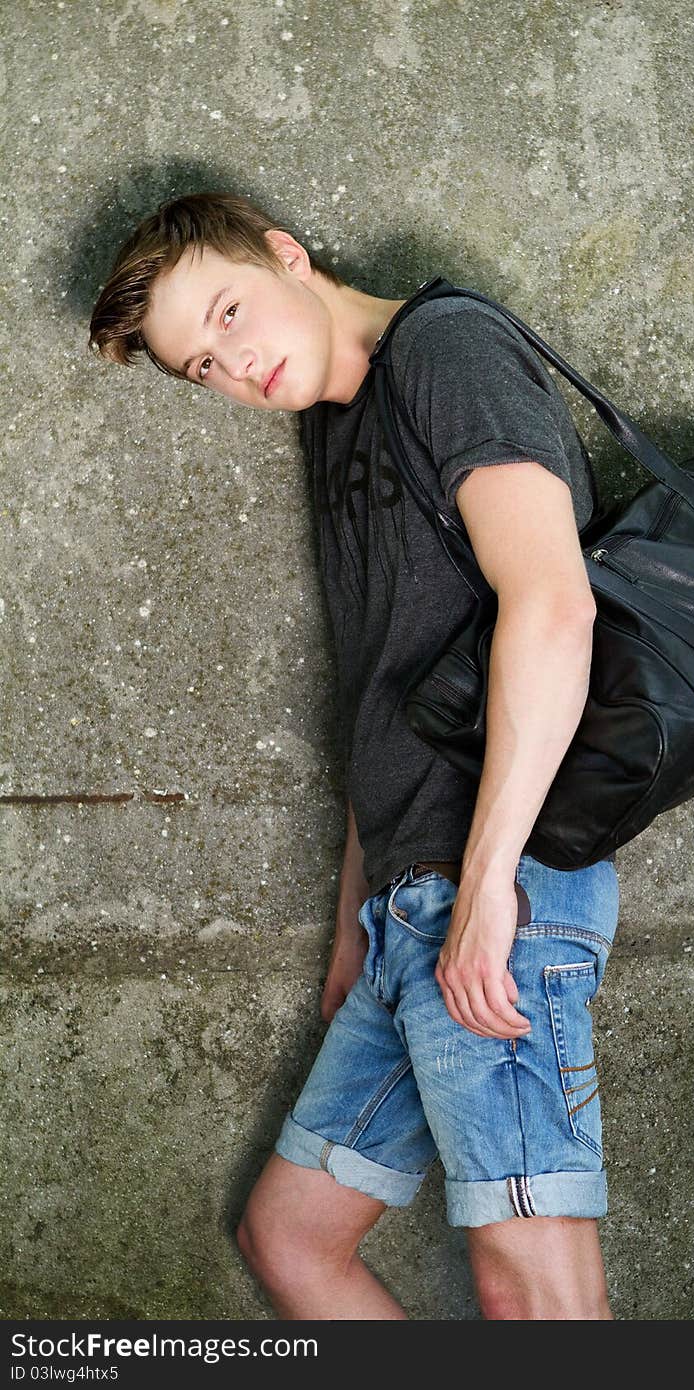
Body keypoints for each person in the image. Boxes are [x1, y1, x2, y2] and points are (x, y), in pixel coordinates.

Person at [89, 191, 620, 1321]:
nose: (233, 366)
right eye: (200, 366)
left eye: (229, 314)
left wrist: (484, 893)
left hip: (501, 887)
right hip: (407, 909)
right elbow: (383, 691)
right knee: (290, 1239)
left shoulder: (446, 348)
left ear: (287, 255)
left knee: (534, 1293)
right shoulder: (337, 426)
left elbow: (553, 605)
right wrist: (357, 922)